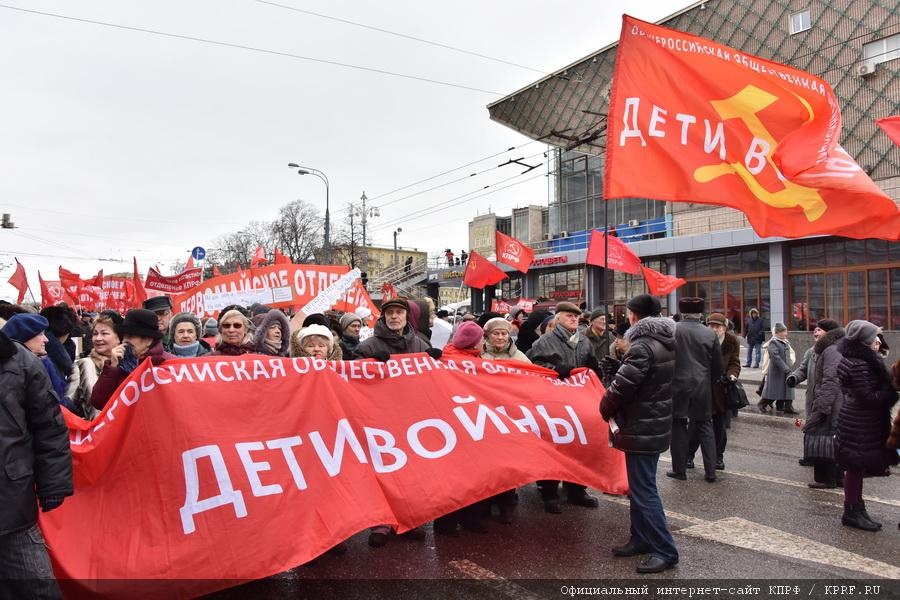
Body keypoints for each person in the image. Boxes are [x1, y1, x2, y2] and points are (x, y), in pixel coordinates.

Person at [599, 294, 678, 574]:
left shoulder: (642, 345)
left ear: (634, 316)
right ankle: (641, 538)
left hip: (642, 425)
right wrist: (621, 367)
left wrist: (604, 406)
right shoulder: (665, 340)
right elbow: (647, 380)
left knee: (644, 490)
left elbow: (622, 388)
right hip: (652, 422)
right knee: (639, 487)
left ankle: (665, 550)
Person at [352, 297, 435, 547]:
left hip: (411, 418)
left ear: (406, 316)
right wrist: (368, 365)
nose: (394, 317)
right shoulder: (368, 346)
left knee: (411, 472)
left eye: (399, 312)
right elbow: (352, 378)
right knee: (383, 472)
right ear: (383, 317)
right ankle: (381, 522)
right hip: (379, 419)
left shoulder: (420, 344)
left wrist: (435, 361)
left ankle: (408, 519)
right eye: (390, 313)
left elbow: (432, 380)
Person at [0, 326, 73, 597]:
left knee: (38, 589)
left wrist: (53, 484)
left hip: (12, 508)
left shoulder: (19, 361)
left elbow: (49, 427)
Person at [526, 301, 599, 513]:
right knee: (554, 447)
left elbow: (591, 365)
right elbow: (533, 366)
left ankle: (577, 489)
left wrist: (596, 370)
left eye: (576, 316)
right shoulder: (545, 341)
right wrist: (556, 369)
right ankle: (549, 492)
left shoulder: (584, 341)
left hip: (579, 402)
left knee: (579, 447)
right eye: (569, 315)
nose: (574, 319)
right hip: (554, 404)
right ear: (557, 319)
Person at [834, 320, 898, 531]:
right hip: (859, 423)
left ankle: (856, 508)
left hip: (858, 420)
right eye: (874, 338)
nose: (878, 341)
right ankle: (852, 511)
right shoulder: (860, 364)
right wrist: (891, 393)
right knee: (855, 467)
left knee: (856, 467)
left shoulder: (859, 359)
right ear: (863, 340)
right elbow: (869, 396)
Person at [480, 317, 530, 523]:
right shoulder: (477, 355)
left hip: (510, 417)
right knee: (486, 463)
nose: (500, 337)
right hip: (484, 417)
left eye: (504, 333)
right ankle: (485, 502)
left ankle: (506, 504)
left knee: (508, 464)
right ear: (487, 335)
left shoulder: (520, 358)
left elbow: (532, 381)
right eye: (496, 333)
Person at [669, 298, 723, 482]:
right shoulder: (709, 333)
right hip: (702, 386)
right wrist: (708, 381)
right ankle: (710, 471)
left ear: (682, 312)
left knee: (678, 425)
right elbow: (718, 366)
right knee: (705, 426)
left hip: (677, 385)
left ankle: (679, 470)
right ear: (700, 314)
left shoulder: (673, 330)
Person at [787, 319, 844, 483]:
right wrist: (794, 377)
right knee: (815, 431)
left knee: (829, 437)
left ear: (829, 333)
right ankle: (813, 456)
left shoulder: (833, 351)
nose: (815, 332)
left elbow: (831, 380)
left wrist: (823, 405)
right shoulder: (812, 351)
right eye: (815, 329)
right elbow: (803, 368)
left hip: (828, 401)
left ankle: (830, 477)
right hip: (814, 398)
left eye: (819, 330)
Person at [91, 308, 176, 411]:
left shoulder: (170, 364)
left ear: (148, 340)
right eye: (124, 336)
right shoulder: (119, 363)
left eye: (131, 336)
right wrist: (112, 367)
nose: (125, 341)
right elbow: (99, 402)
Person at [687, 312, 739, 472]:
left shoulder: (731, 342)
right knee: (695, 425)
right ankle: (688, 455)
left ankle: (718, 457)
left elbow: (734, 362)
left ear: (724, 327)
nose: (714, 329)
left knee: (719, 427)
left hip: (721, 390)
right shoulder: (701, 339)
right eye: (711, 326)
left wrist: (732, 375)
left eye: (717, 326)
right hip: (701, 388)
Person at [2, 314, 77, 413]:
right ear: (25, 337)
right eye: (40, 334)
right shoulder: (14, 372)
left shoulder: (44, 363)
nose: (46, 340)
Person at [67, 311, 123, 420]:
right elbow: (68, 405)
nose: (98, 338)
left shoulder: (130, 366)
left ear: (118, 338)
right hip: (95, 428)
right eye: (95, 333)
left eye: (104, 333)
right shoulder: (84, 365)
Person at [758, 323, 796, 414]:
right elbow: (775, 357)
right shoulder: (773, 343)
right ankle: (762, 404)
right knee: (774, 390)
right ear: (778, 332)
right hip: (777, 372)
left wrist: (789, 365)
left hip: (785, 370)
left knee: (786, 389)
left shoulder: (785, 342)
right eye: (784, 331)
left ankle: (785, 407)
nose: (786, 333)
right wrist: (785, 368)